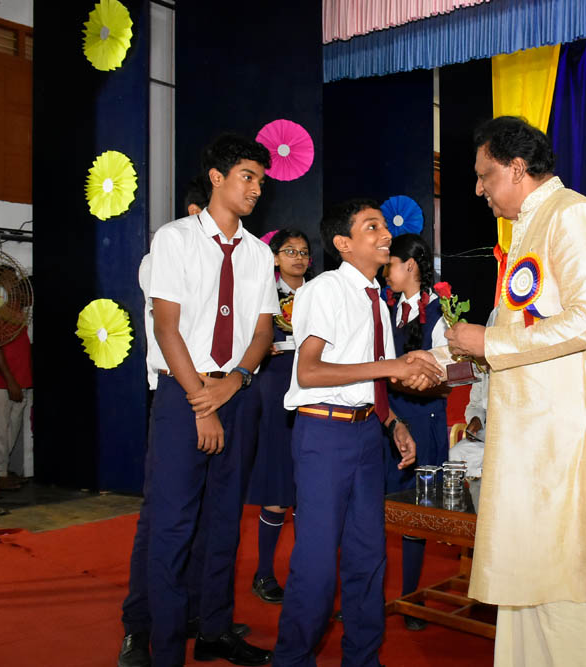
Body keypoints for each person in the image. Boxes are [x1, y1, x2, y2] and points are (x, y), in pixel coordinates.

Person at [440, 116, 586, 665]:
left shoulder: (572, 215)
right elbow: (530, 329)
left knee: (572, 580)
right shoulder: (531, 226)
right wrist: (462, 352)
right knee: (530, 577)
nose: (479, 189)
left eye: (485, 175)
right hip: (533, 436)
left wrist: (489, 341)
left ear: (516, 169)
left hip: (570, 437)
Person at [121, 133, 277, 667]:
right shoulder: (175, 239)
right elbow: (166, 328)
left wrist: (235, 381)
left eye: (261, 180)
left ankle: (213, 629)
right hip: (182, 393)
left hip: (234, 392)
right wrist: (202, 401)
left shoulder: (258, 253)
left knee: (225, 521)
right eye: (247, 177)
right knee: (170, 524)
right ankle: (160, 645)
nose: (256, 188)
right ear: (217, 177)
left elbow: (262, 332)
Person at [273, 199, 443, 667]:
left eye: (384, 226)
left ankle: (363, 658)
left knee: (368, 557)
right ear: (343, 243)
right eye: (372, 227)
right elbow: (309, 372)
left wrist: (393, 423)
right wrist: (392, 366)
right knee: (316, 564)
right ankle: (293, 659)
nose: (385, 234)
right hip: (324, 436)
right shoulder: (326, 290)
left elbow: (370, 379)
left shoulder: (377, 301)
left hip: (368, 434)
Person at [382, 232, 450, 629]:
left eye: (390, 263)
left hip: (423, 421)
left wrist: (404, 379)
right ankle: (367, 597)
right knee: (373, 509)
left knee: (414, 513)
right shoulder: (385, 307)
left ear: (409, 265)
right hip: (387, 418)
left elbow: (449, 377)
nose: (385, 272)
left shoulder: (441, 312)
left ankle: (410, 599)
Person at [247, 228, 312, 604]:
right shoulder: (263, 292)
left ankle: (305, 571)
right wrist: (259, 346)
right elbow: (245, 336)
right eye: (289, 251)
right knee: (278, 483)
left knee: (308, 486)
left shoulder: (318, 292)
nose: (298, 258)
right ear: (274, 257)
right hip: (274, 386)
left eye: (303, 252)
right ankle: (264, 572)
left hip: (313, 386)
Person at [0, 264, 33, 491]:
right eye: (9, 279)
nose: (14, 283)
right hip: (0, 381)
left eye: (15, 279)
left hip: (20, 378)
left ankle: (2, 471)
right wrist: (10, 381)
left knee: (11, 428)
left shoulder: (13, 310)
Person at [447, 308, 498, 478]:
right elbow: (475, 405)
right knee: (457, 455)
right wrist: (476, 420)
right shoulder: (482, 367)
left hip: (513, 440)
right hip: (487, 440)